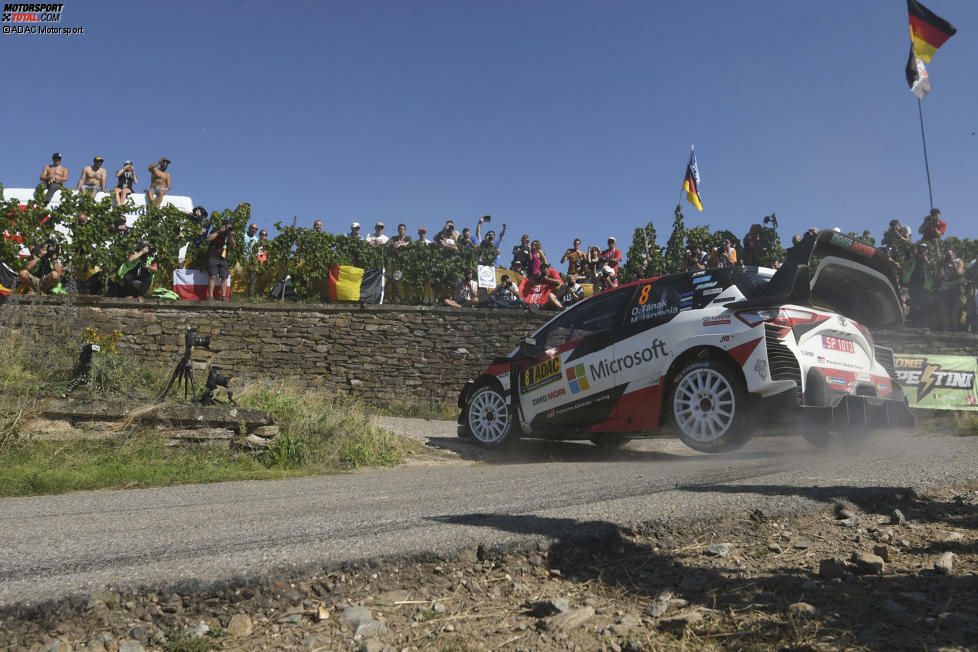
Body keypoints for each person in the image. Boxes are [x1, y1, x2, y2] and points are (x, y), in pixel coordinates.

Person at [206, 218, 235, 301]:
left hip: (223, 258)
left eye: (230, 227)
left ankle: (223, 296)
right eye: (227, 227)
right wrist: (219, 231)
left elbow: (233, 245)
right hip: (213, 256)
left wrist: (230, 235)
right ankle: (211, 296)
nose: (228, 228)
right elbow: (209, 239)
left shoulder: (229, 234)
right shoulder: (216, 229)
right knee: (213, 276)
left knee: (224, 277)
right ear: (223, 226)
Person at [936, 248, 964, 331]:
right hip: (944, 289)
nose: (949, 257)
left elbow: (959, 273)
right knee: (944, 310)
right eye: (947, 255)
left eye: (950, 255)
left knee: (955, 310)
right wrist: (940, 264)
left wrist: (954, 264)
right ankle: (946, 329)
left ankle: (956, 329)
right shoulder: (943, 263)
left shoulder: (959, 261)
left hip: (955, 289)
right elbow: (939, 276)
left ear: (954, 255)